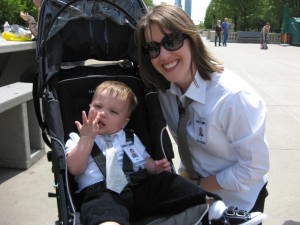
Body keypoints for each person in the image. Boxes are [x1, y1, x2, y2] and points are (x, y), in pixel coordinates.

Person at [65, 81, 264, 225]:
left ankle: (220, 212)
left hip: (137, 187)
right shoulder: (78, 137)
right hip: (101, 193)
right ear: (89, 106)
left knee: (171, 182)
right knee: (102, 212)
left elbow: (144, 161)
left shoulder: (129, 137)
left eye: (113, 112)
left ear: (124, 121)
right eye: (97, 106)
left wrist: (155, 167)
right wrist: (87, 139)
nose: (102, 114)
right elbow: (75, 167)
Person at [135, 3, 269, 217]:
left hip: (239, 201)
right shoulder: (164, 93)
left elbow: (253, 168)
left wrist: (200, 184)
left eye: (172, 41)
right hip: (196, 193)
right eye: (153, 48)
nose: (163, 55)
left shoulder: (234, 98)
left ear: (192, 39)